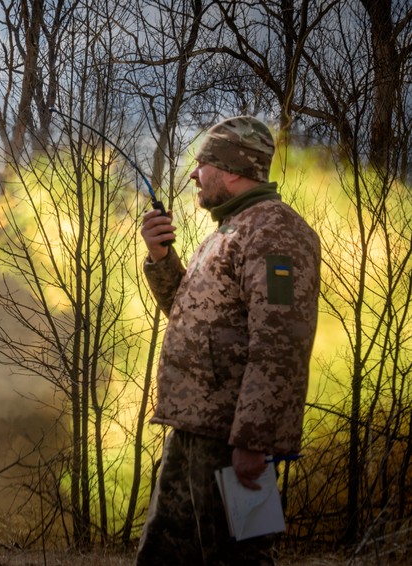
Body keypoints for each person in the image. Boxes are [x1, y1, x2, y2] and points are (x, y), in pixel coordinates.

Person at [134, 116, 321, 565]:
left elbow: (280, 344)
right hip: (193, 432)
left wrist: (254, 439)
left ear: (233, 171)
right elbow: (190, 313)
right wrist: (161, 257)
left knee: (243, 559)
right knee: (161, 557)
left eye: (203, 164)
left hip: (232, 439)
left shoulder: (275, 232)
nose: (194, 175)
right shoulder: (227, 231)